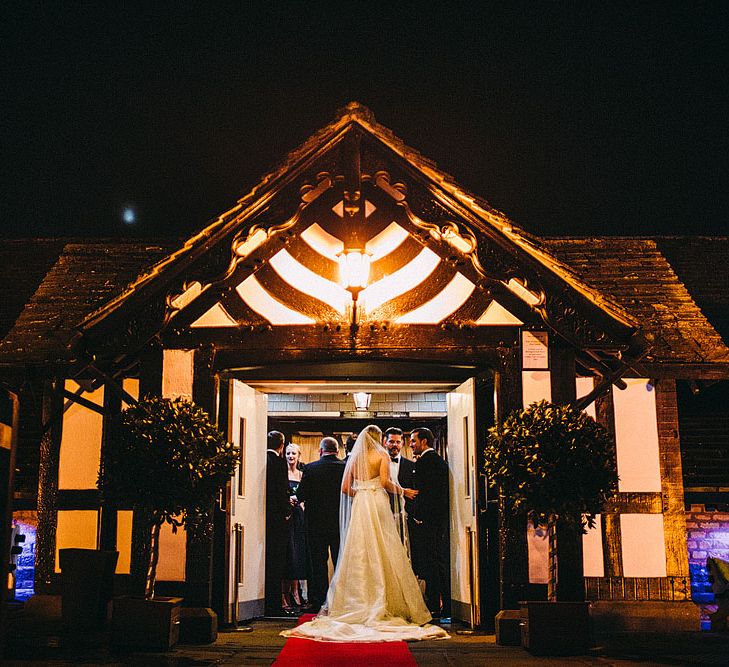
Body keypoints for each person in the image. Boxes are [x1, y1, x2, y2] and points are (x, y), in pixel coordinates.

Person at [281, 425, 448, 642]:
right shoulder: (381, 455)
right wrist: (402, 491)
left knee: (359, 548)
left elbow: (344, 488)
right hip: (377, 502)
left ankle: (354, 601)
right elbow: (387, 482)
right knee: (383, 546)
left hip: (361, 503)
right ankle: (386, 599)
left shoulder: (356, 458)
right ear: (378, 439)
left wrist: (361, 493)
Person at [293, 437, 345, 611]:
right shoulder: (345, 467)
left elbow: (301, 494)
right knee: (340, 561)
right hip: (339, 523)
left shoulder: (311, 468)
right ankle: (340, 599)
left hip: (315, 524)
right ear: (337, 451)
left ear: (320, 451)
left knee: (317, 563)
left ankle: (319, 601)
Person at [409, 427, 451, 619]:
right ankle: (440, 603)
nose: (410, 444)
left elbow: (427, 494)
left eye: (413, 440)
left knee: (433, 562)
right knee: (434, 561)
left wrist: (419, 515)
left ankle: (436, 604)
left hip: (430, 520)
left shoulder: (428, 462)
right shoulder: (435, 461)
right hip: (435, 519)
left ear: (424, 441)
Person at [265, 430, 291, 616]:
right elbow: (282, 491)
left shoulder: (261, 459)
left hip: (263, 516)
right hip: (277, 519)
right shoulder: (279, 463)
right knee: (277, 561)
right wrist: (287, 512)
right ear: (281, 446)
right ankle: (274, 603)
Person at [283, 443, 307, 610]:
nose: (291, 456)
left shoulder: (302, 474)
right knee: (288, 554)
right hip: (286, 517)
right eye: (288, 453)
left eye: (293, 453)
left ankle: (296, 591)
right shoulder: (282, 474)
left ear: (299, 455)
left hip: (299, 516)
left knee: (298, 554)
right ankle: (284, 593)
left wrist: (302, 502)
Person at [384, 427, 416, 551]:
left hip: (405, 517)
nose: (395, 445)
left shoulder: (411, 465)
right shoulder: (377, 464)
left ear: (402, 443)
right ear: (384, 442)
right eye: (391, 442)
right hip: (382, 513)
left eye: (398, 442)